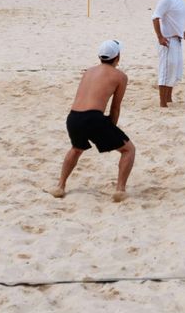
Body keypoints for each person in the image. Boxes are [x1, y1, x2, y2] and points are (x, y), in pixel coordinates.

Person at [51, 39, 135, 202]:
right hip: (93, 118)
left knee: (76, 149)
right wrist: (111, 129)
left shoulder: (88, 71)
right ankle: (120, 190)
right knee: (128, 150)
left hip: (73, 117)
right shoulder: (120, 76)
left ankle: (60, 185)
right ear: (118, 56)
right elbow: (115, 108)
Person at [152, 0, 185, 108]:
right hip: (167, 40)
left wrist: (182, 31)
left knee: (174, 71)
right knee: (165, 71)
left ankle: (169, 99)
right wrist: (160, 37)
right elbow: (155, 18)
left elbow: (175, 19)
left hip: (177, 39)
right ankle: (162, 104)